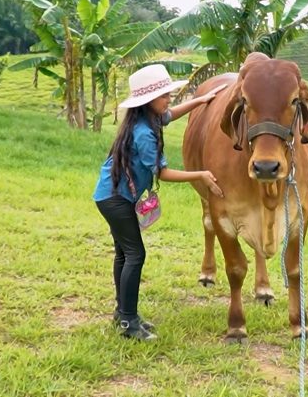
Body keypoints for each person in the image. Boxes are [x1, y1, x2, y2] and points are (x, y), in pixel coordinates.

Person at [93, 64, 225, 341]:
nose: (169, 99)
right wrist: (200, 173)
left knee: (123, 255)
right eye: (164, 95)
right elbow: (162, 172)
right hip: (116, 200)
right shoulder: (144, 133)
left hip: (111, 195)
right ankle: (129, 322)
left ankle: (123, 314)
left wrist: (200, 101)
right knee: (135, 255)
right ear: (148, 101)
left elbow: (169, 115)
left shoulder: (147, 120)